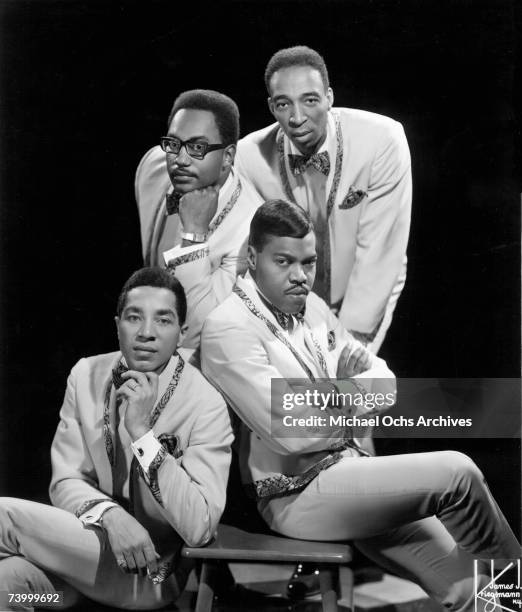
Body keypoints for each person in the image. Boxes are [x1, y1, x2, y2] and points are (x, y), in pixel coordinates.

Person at [201, 200, 520, 611]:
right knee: (458, 472)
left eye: (309, 262)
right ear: (252, 256)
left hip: (352, 476)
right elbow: (292, 431)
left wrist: (337, 394)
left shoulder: (311, 306)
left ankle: (512, 601)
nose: (300, 276)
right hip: (296, 497)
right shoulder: (229, 327)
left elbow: (385, 383)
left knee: (469, 587)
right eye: (284, 261)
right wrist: (348, 391)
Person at [0, 267, 233, 610]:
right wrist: (111, 515)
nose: (146, 333)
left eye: (163, 320)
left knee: (3, 516)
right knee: (8, 586)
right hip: (76, 578)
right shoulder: (86, 375)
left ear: (182, 333)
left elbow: (199, 526)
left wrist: (142, 434)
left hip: (148, 577)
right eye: (134, 317)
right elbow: (66, 481)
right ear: (117, 324)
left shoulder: (206, 403)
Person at [235, 46, 412, 353]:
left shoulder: (382, 140)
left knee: (348, 389)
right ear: (270, 106)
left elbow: (379, 253)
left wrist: (349, 345)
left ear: (329, 97)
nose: (297, 117)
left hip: (366, 283)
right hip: (294, 302)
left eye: (310, 100)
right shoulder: (249, 156)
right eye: (283, 104)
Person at [135, 89, 262, 348]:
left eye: (197, 148)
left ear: (227, 156)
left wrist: (194, 234)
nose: (180, 160)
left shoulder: (252, 231)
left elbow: (196, 333)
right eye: (173, 144)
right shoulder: (152, 167)